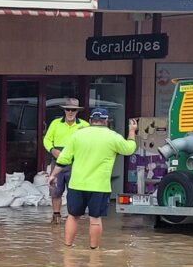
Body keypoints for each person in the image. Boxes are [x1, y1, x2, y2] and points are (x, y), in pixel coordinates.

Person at [49, 109, 137, 250]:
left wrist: (53, 175)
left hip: (77, 184)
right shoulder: (112, 136)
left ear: (90, 121)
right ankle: (94, 251)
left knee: (72, 216)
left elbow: (64, 159)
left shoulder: (78, 135)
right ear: (106, 121)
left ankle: (67, 249)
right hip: (99, 186)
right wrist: (132, 131)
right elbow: (129, 149)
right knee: (95, 220)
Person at [42, 97, 90, 224]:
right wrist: (52, 150)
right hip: (57, 160)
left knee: (74, 191)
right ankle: (56, 216)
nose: (70, 112)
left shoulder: (85, 126)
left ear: (77, 111)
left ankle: (71, 218)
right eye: (68, 109)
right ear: (64, 110)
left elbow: (90, 143)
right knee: (55, 190)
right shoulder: (55, 123)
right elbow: (46, 139)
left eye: (73, 110)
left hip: (76, 162)